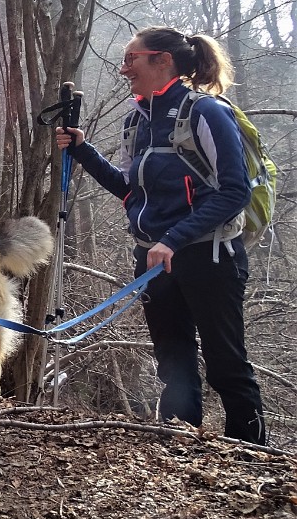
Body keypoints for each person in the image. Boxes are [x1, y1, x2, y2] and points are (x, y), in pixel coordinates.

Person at [55, 27, 266, 446]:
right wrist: (83, 150)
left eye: (131, 59)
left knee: (226, 364)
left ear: (162, 61)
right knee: (172, 362)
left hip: (209, 254)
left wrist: (174, 238)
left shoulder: (205, 112)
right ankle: (180, 453)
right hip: (153, 258)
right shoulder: (138, 118)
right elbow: (130, 187)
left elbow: (234, 190)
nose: (123, 68)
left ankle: (251, 457)